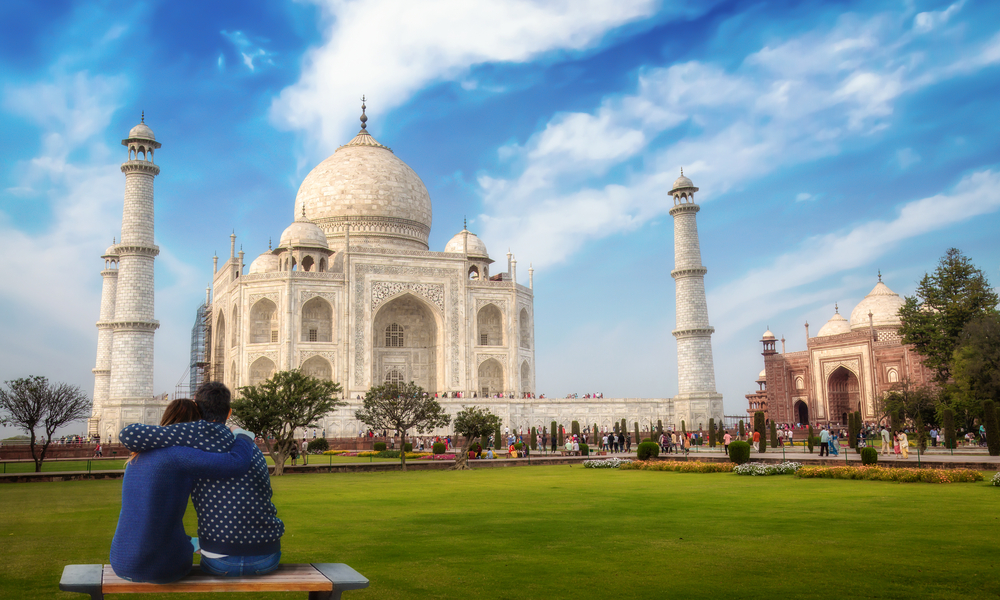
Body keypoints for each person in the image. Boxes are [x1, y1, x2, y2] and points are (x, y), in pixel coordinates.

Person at [118, 381, 284, 577]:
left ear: (196, 408)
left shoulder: (192, 434)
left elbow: (128, 435)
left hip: (219, 560)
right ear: (229, 413)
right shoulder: (248, 446)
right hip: (267, 556)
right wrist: (244, 436)